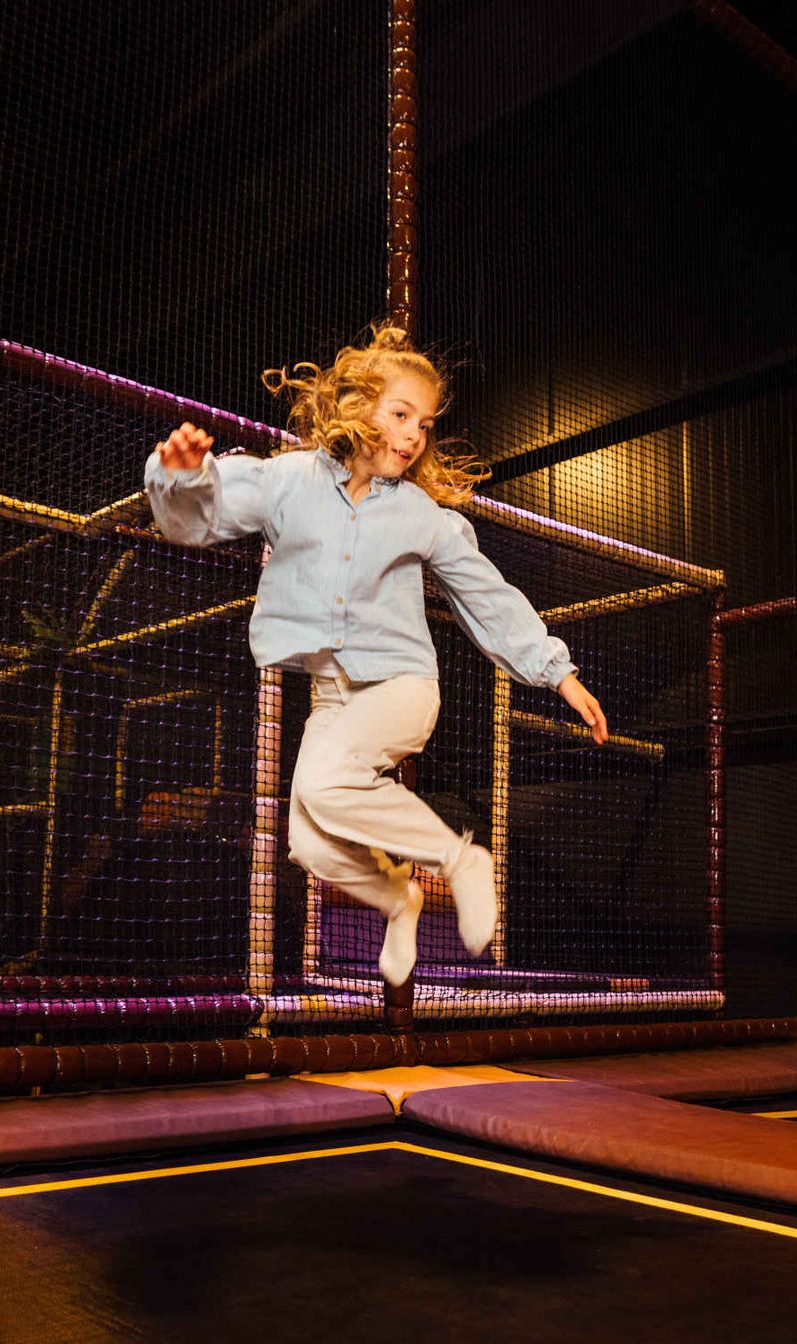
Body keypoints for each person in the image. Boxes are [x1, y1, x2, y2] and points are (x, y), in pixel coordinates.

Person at [145, 323, 608, 987]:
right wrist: (178, 476)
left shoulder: (420, 513)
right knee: (308, 840)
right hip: (334, 696)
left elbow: (487, 595)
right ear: (358, 408)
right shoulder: (289, 482)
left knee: (325, 785)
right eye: (401, 414)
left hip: (400, 686)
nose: (415, 433)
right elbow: (200, 517)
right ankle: (399, 898)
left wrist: (556, 671)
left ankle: (458, 859)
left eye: (424, 422)